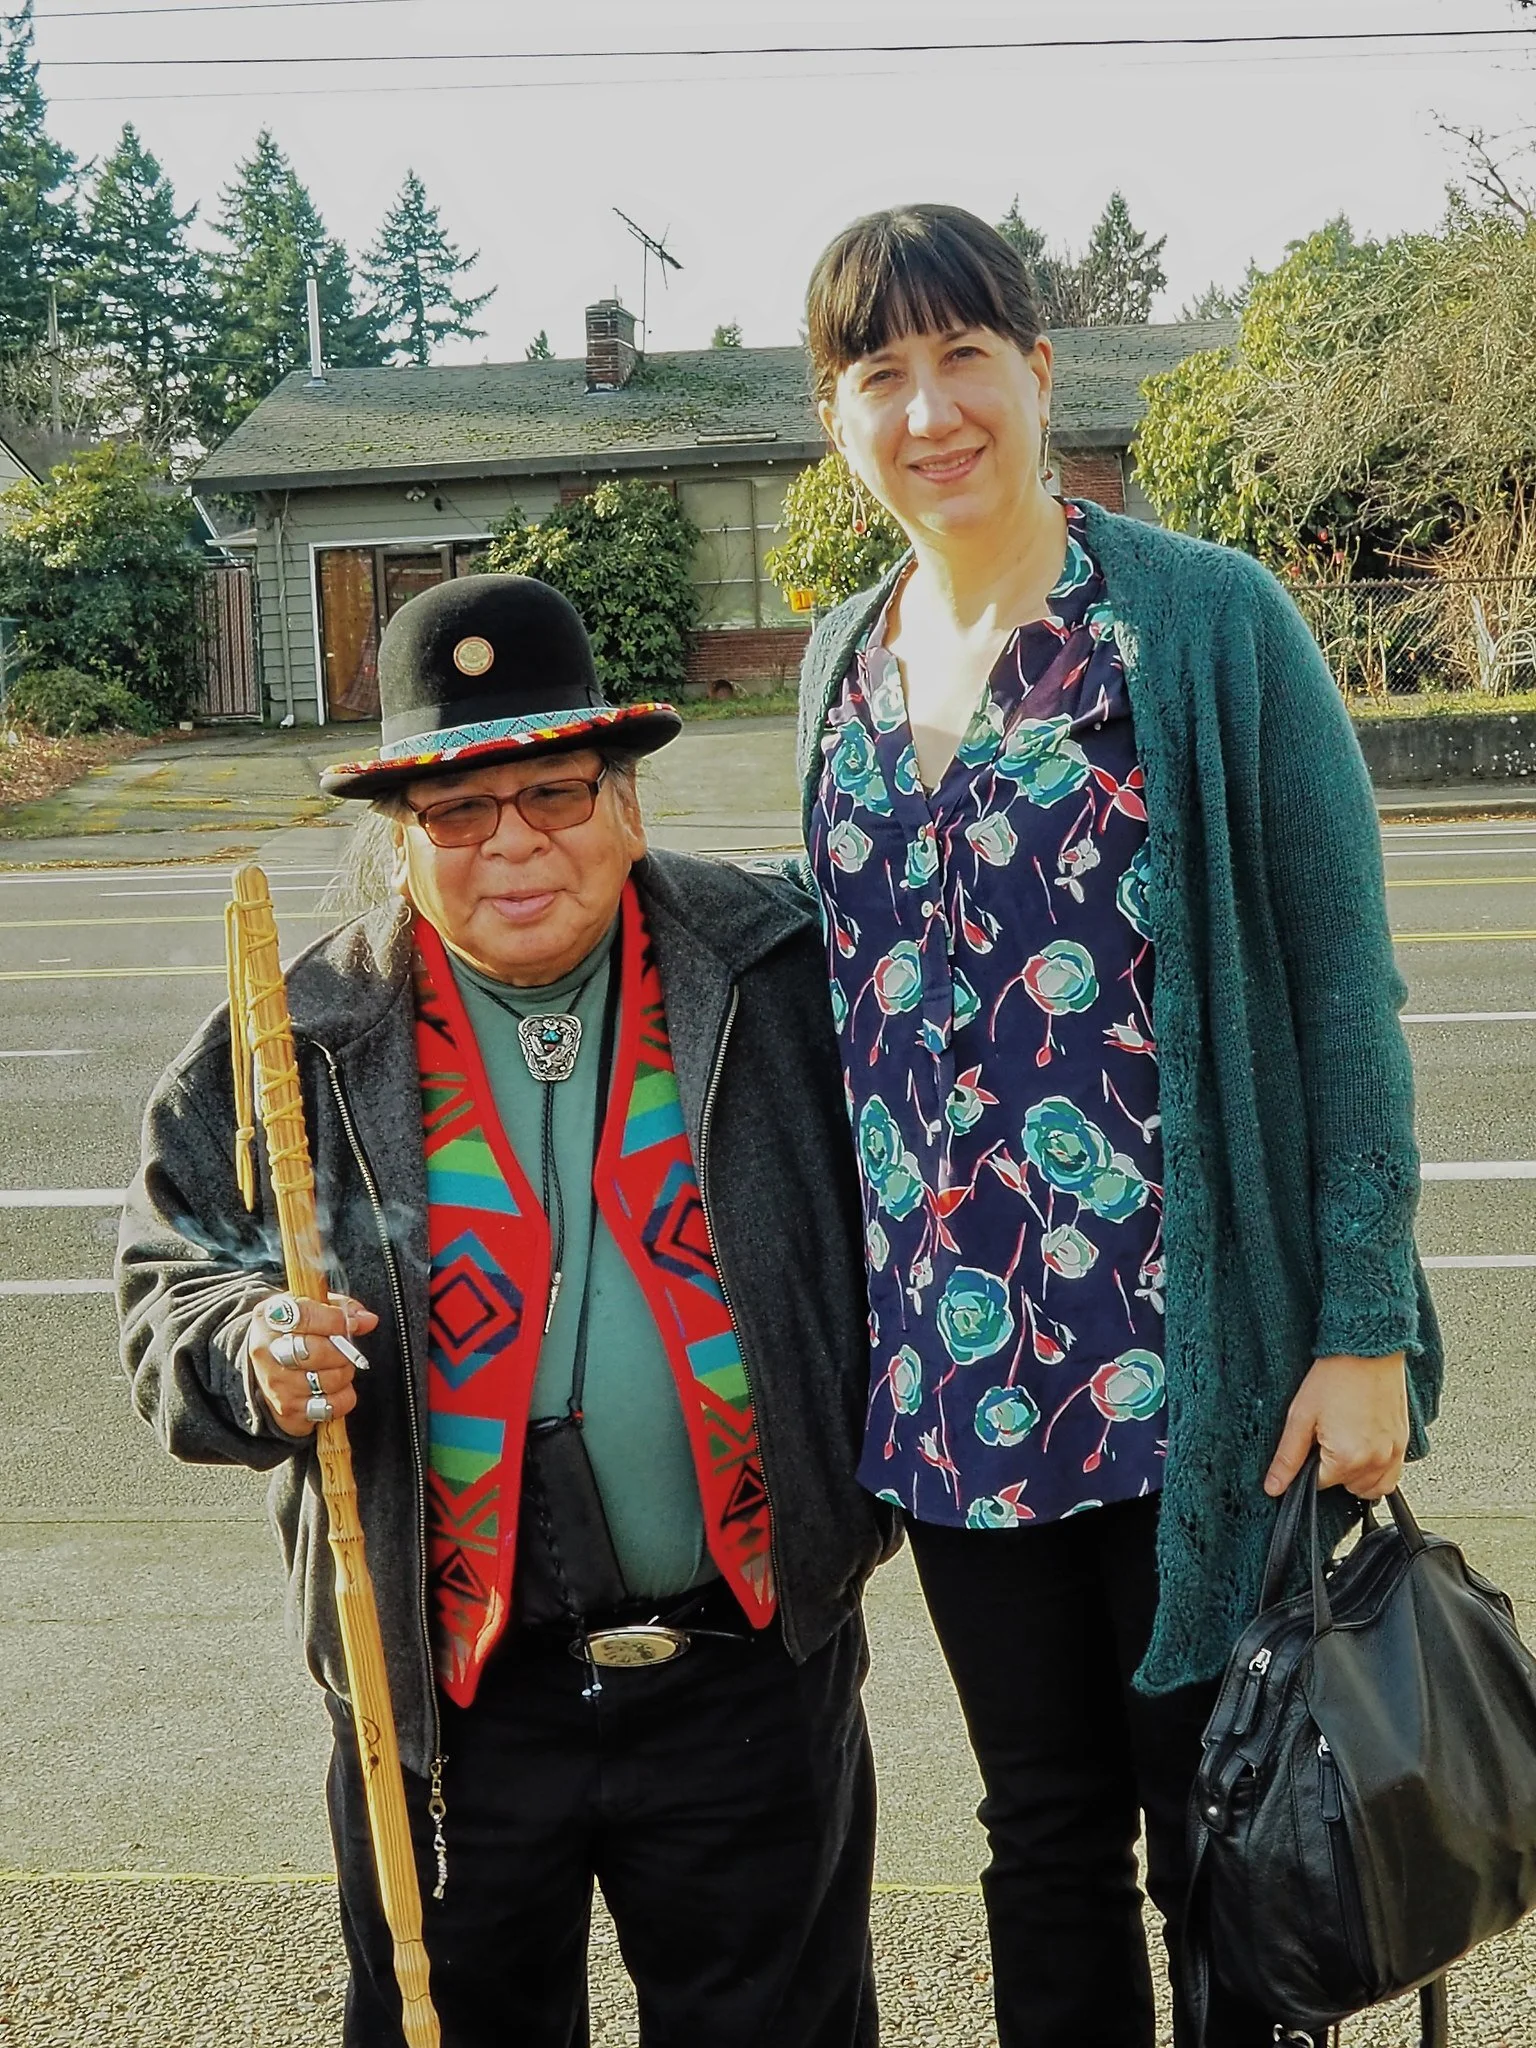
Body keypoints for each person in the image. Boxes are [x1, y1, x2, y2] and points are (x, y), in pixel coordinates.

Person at [792, 202, 1444, 2048]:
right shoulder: (845, 655)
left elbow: (1341, 994)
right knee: (1039, 1834)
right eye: (876, 375)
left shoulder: (1204, 620)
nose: (928, 409)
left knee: (1225, 1833)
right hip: (949, 1383)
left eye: (960, 357)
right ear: (835, 417)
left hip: (1197, 1373)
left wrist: (1363, 1326)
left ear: (1037, 371)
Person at [118, 574, 891, 2048]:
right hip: (448, 1701)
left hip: (747, 1669)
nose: (513, 842)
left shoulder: (781, 974)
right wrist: (248, 1349)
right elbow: (170, 1280)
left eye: (554, 792)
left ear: (627, 804)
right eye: (459, 813)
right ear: (402, 839)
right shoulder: (300, 1038)